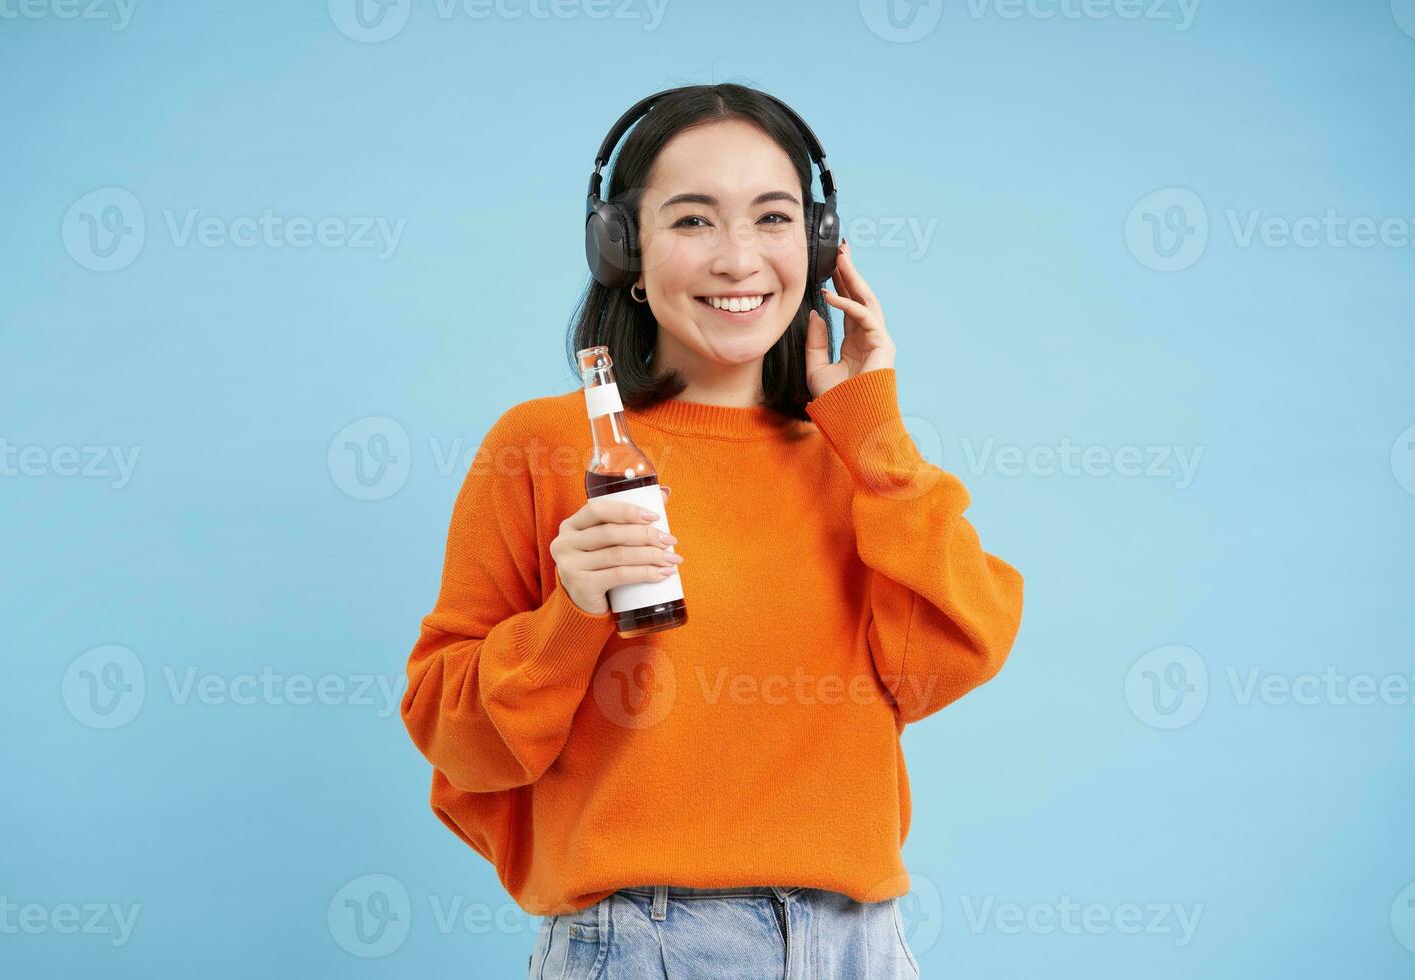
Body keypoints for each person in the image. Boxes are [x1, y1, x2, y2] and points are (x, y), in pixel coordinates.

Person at [400, 83, 1025, 979]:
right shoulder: (544, 446)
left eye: (773, 218)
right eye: (693, 221)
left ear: (816, 245)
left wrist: (873, 429)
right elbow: (457, 740)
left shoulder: (858, 462)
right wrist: (571, 615)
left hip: (861, 943)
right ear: (624, 249)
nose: (740, 260)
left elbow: (952, 655)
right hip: (641, 944)